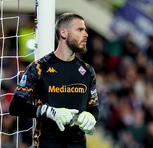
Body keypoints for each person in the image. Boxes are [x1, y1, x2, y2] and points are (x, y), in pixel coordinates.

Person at [9, 13, 99, 148]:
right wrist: (47, 111)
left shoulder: (88, 71)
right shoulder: (38, 67)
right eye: (80, 30)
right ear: (64, 33)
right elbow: (15, 106)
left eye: (85, 30)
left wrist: (91, 118)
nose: (86, 34)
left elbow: (94, 108)